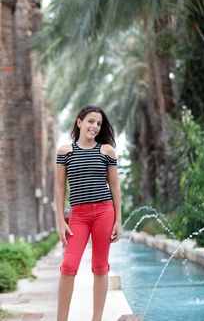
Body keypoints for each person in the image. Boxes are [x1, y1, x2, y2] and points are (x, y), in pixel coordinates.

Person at [55, 105, 121, 321]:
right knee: (68, 265)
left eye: (99, 123)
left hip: (104, 212)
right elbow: (59, 188)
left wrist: (118, 220)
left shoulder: (107, 151)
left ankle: (96, 319)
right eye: (91, 121)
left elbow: (114, 187)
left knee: (100, 266)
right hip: (79, 216)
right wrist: (59, 221)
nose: (95, 126)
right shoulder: (65, 152)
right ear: (79, 122)